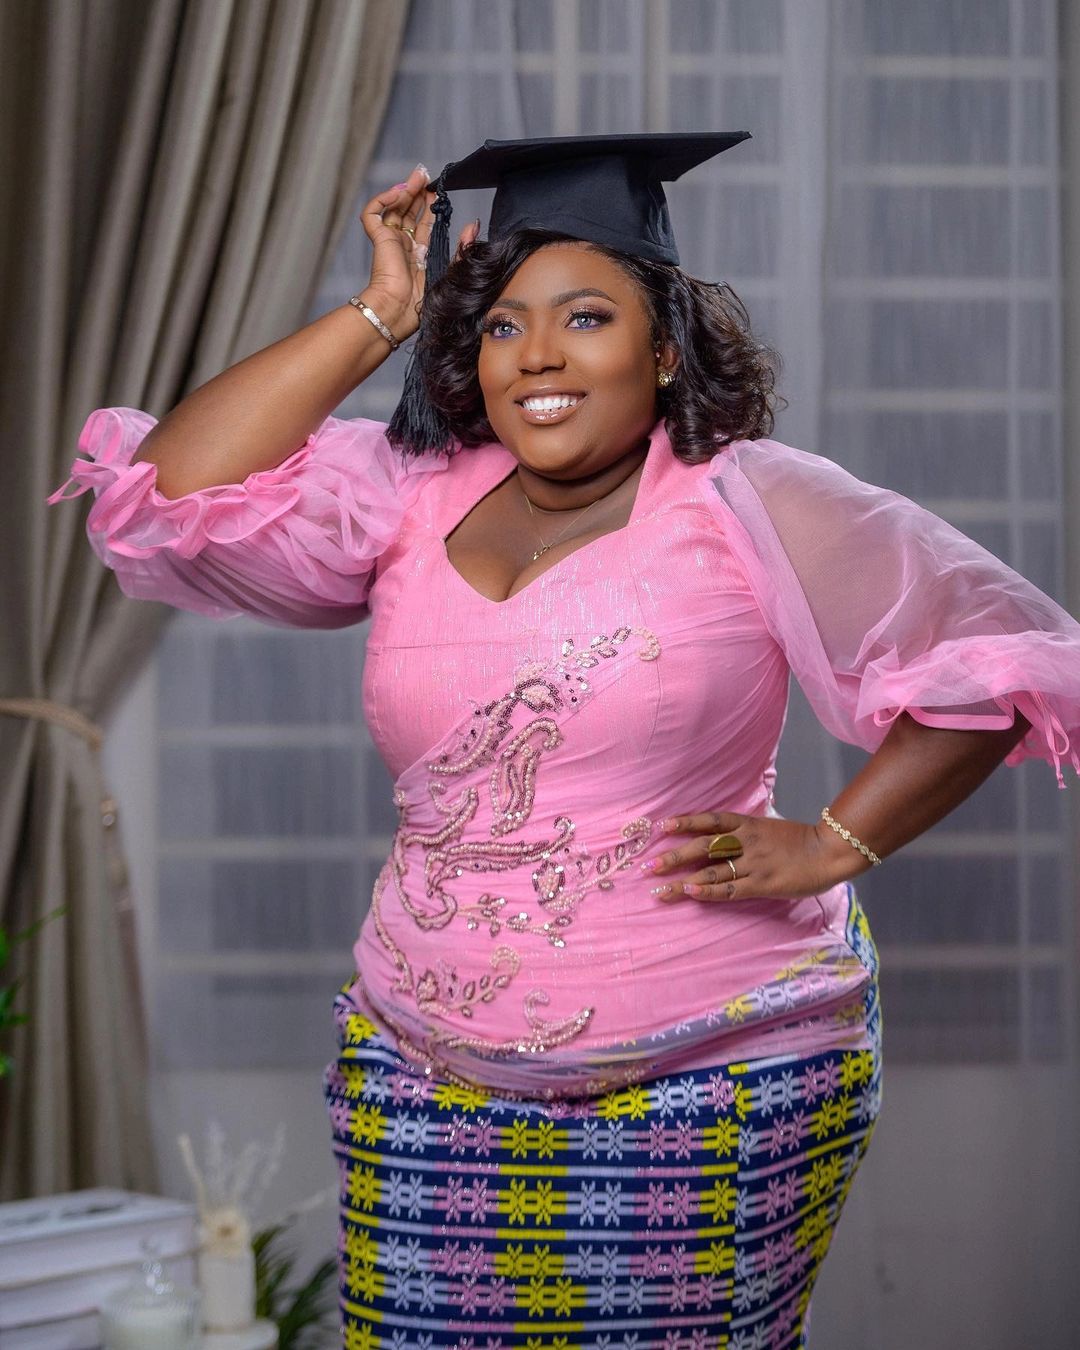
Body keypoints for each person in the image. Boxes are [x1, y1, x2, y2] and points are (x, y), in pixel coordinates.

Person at [51, 133, 1080, 1348]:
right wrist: (383, 312)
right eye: (503, 326)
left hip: (716, 1082)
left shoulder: (746, 498)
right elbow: (166, 492)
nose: (538, 354)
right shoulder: (405, 492)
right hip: (420, 1079)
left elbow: (998, 660)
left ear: (664, 347)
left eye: (586, 317)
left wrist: (833, 844)